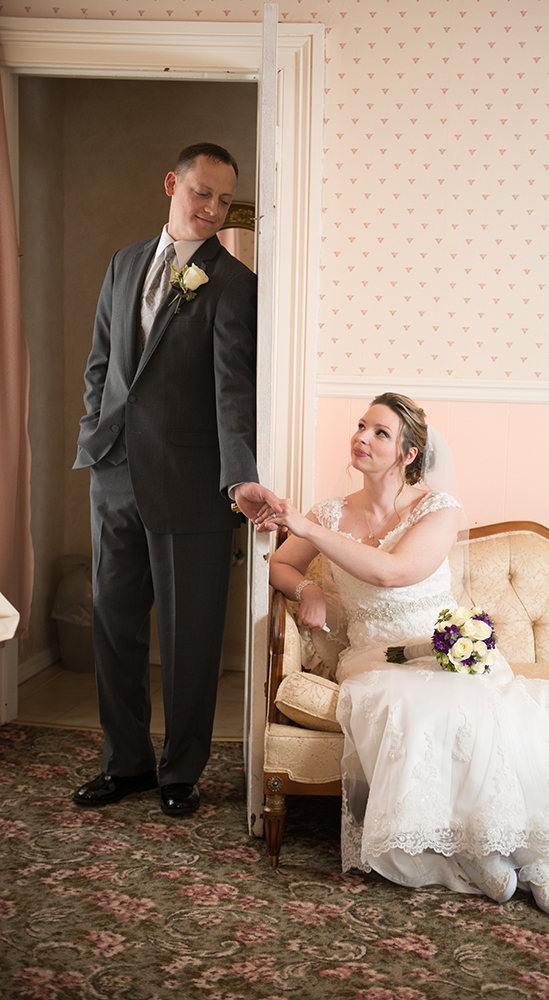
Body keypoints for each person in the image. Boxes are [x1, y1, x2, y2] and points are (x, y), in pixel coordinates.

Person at [267, 392, 549, 955]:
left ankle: (535, 856)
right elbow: (282, 561)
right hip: (374, 658)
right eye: (361, 426)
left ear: (408, 454)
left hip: (442, 649)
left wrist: (300, 522)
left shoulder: (440, 509)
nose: (362, 437)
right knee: (406, 704)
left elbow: (393, 572)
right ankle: (480, 852)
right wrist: (307, 585)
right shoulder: (332, 513)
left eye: (380, 433)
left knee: (499, 711)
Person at [72, 142, 280, 817]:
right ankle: (124, 762)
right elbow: (102, 364)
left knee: (190, 638)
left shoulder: (235, 283)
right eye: (202, 194)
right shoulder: (125, 263)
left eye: (224, 201)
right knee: (114, 626)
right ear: (172, 184)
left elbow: (232, 391)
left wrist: (238, 479)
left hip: (194, 485)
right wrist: (94, 439)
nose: (213, 210)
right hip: (114, 476)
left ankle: (179, 773)